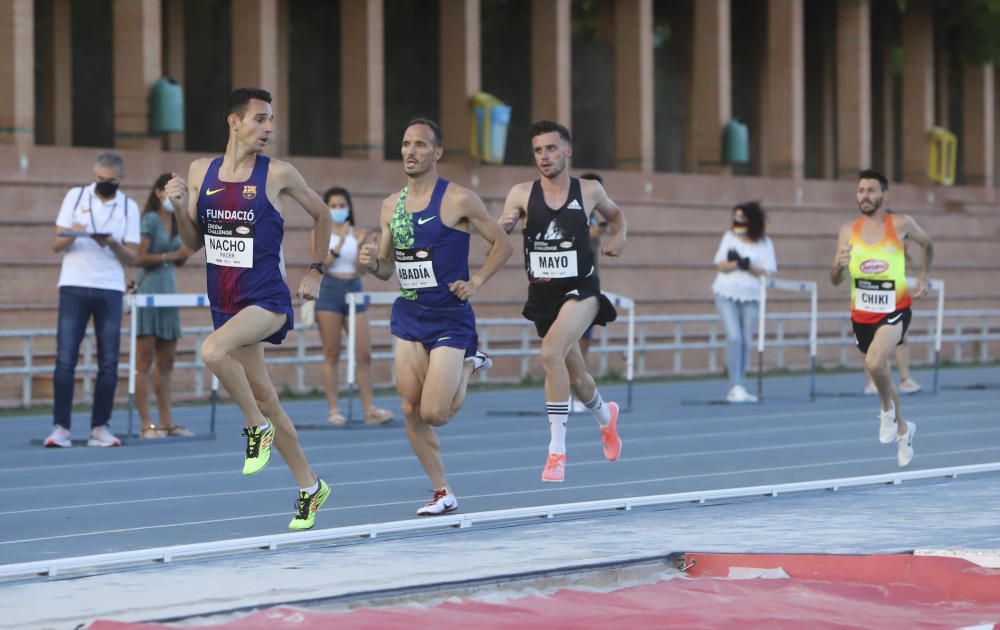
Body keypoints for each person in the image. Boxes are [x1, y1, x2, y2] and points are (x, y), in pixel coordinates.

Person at [165, 87, 333, 530]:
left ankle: (255, 429)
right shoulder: (202, 170)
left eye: (271, 120)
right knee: (268, 398)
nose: (269, 128)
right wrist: (181, 207)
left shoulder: (278, 173)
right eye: (260, 119)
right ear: (234, 122)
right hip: (225, 303)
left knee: (211, 352)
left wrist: (316, 270)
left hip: (266, 299)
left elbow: (323, 215)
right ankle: (310, 487)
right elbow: (192, 242)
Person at [358, 118, 512, 516]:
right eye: (406, 144)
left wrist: (475, 280)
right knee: (409, 409)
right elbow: (386, 269)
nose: (410, 151)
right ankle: (442, 491)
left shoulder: (458, 199)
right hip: (409, 314)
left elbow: (503, 244)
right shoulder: (390, 205)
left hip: (449, 317)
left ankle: (470, 362)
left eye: (420, 145)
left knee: (434, 414)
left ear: (437, 153)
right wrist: (371, 263)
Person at [499, 120, 626, 483]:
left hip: (582, 289)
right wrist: (502, 228)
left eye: (551, 148)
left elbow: (617, 216)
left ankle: (556, 450)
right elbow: (498, 235)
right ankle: (606, 418)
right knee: (578, 375)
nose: (544, 156)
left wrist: (620, 238)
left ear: (567, 151)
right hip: (544, 296)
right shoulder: (521, 193)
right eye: (538, 150)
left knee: (550, 353)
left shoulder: (589, 190)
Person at [831, 168, 933, 467]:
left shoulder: (901, 224)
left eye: (871, 190)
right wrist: (837, 266)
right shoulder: (847, 231)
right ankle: (903, 427)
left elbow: (928, 243)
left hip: (895, 309)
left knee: (874, 363)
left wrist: (925, 276)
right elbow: (835, 279)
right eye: (861, 191)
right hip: (861, 314)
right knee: (881, 372)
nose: (865, 196)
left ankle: (886, 412)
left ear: (884, 194)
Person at [45, 153, 140, 448]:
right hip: (74, 284)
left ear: (119, 180)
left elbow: (133, 256)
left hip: (109, 287)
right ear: (94, 175)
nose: (103, 185)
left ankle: (100, 426)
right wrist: (76, 234)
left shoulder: (128, 206)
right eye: (99, 180)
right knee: (65, 359)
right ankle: (61, 427)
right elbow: (56, 244)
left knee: (109, 361)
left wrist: (112, 242)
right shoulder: (75, 197)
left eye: (110, 182)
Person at [313, 186, 393, 426]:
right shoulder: (321, 232)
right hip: (329, 290)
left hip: (353, 290)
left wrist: (361, 247)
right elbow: (320, 264)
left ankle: (369, 409)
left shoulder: (357, 233)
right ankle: (334, 410)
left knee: (364, 353)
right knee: (332, 352)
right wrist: (338, 246)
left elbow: (361, 270)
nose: (339, 210)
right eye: (334, 206)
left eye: (342, 205)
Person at [134, 173, 194, 438]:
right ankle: (147, 423)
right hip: (149, 290)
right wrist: (172, 255)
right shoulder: (149, 219)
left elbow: (179, 259)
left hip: (169, 291)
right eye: (169, 191)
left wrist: (186, 253)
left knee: (167, 362)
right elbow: (139, 257)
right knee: (144, 361)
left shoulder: (179, 220)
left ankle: (167, 421)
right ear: (159, 192)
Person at [711, 201, 777, 403]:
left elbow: (767, 271)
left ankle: (741, 383)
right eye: (736, 218)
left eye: (742, 218)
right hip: (727, 293)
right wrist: (736, 262)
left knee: (746, 340)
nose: (738, 222)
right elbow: (721, 265)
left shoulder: (764, 243)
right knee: (734, 337)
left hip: (752, 296)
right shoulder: (729, 237)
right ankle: (734, 384)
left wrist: (748, 266)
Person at [571, 172, 610, 414]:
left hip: (590, 282)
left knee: (585, 341)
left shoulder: (596, 214)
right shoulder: (575, 211)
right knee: (569, 341)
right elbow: (591, 234)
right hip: (570, 284)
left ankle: (580, 391)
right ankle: (566, 393)